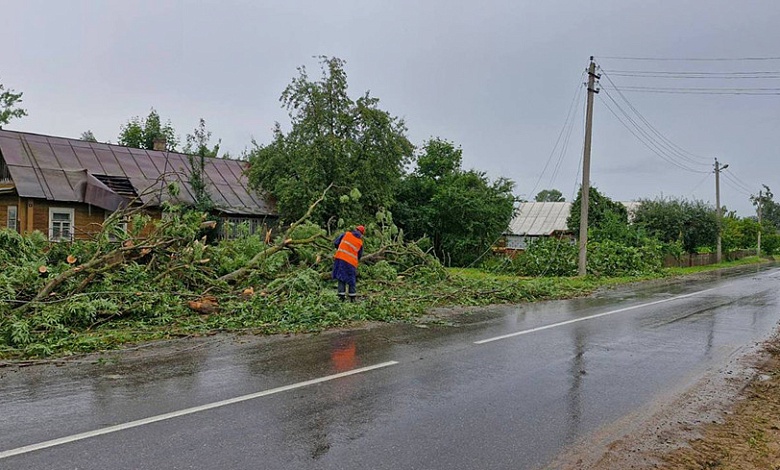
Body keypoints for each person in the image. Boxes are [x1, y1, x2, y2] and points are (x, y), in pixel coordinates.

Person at [332, 225, 365, 302]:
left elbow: (336, 242)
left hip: (340, 258)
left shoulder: (346, 234)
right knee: (351, 278)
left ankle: (341, 297)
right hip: (351, 262)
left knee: (341, 277)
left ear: (355, 229)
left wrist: (340, 248)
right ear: (362, 234)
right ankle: (352, 297)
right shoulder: (360, 242)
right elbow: (359, 255)